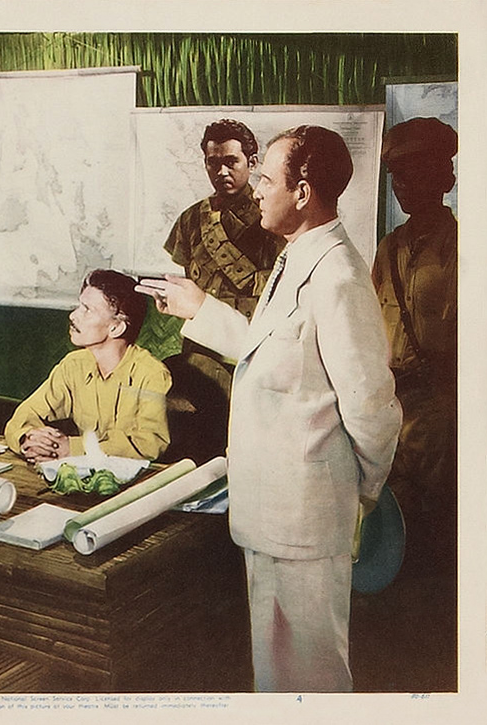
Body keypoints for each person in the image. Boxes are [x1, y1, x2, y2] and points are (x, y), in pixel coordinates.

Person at [138, 126, 401, 692]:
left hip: (308, 518)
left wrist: (356, 493)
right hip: (275, 515)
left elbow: (372, 407)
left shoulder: (337, 276)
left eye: (265, 177)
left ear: (302, 193)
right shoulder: (298, 256)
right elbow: (272, 353)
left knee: (313, 679)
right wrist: (199, 307)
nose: (255, 188)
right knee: (277, 677)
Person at [162, 119, 283, 461]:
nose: (221, 171)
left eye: (231, 161)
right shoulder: (191, 220)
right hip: (199, 354)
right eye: (213, 163)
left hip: (246, 354)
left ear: (252, 162)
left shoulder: (271, 221)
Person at [371, 117, 457, 563]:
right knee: (394, 513)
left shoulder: (462, 245)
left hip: (442, 405)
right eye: (396, 175)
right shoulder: (389, 247)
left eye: (414, 172)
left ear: (444, 179)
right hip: (392, 401)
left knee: (438, 521)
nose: (402, 184)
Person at [5, 269, 171, 463]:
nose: (73, 316)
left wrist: (73, 449)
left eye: (87, 309)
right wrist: (30, 439)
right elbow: (26, 414)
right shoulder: (73, 365)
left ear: (116, 327)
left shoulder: (151, 374)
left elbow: (149, 444)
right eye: (79, 306)